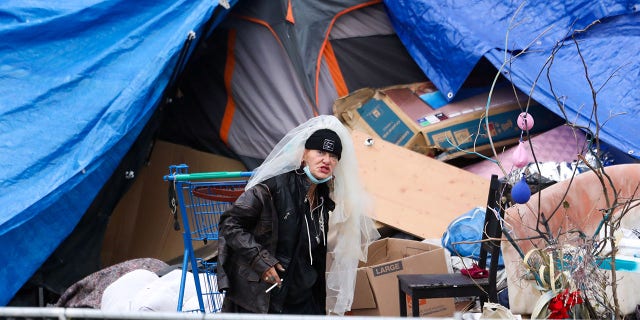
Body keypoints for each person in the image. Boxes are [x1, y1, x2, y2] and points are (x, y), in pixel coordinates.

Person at [217, 115, 379, 315]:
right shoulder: (272, 187)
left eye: (333, 156)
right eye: (320, 152)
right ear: (304, 155)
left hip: (303, 296)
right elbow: (230, 223)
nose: (326, 160)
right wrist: (261, 260)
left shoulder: (322, 200)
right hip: (266, 296)